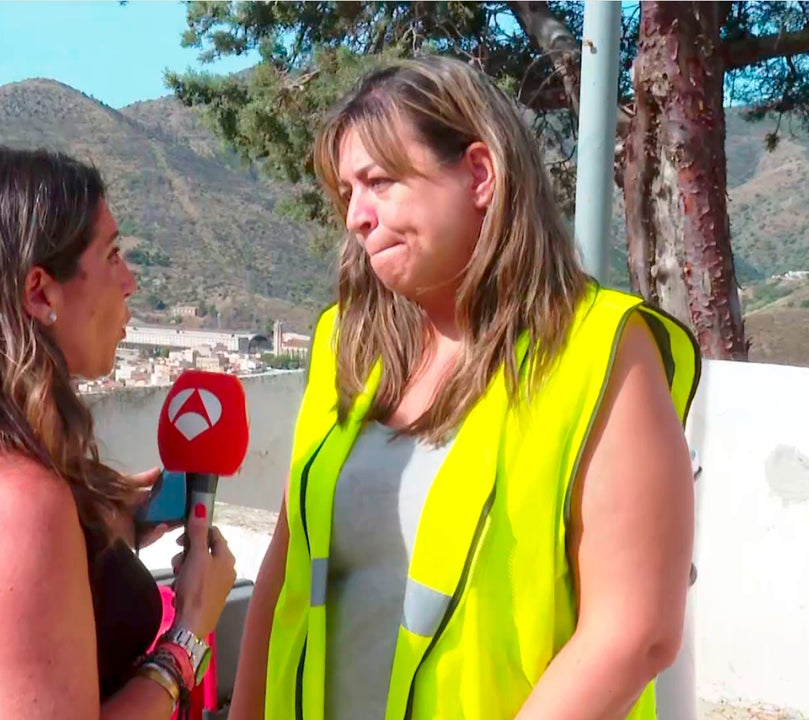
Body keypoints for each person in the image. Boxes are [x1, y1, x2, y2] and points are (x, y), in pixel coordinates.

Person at [228, 55, 700, 720]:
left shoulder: (604, 351)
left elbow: (636, 631)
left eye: (381, 182)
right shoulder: (344, 343)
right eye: (347, 193)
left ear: (480, 173)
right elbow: (286, 569)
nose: (356, 216)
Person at [0, 144, 237, 720]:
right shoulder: (7, 500)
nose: (128, 282)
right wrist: (191, 632)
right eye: (113, 256)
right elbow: (12, 541)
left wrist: (113, 521)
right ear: (40, 292)